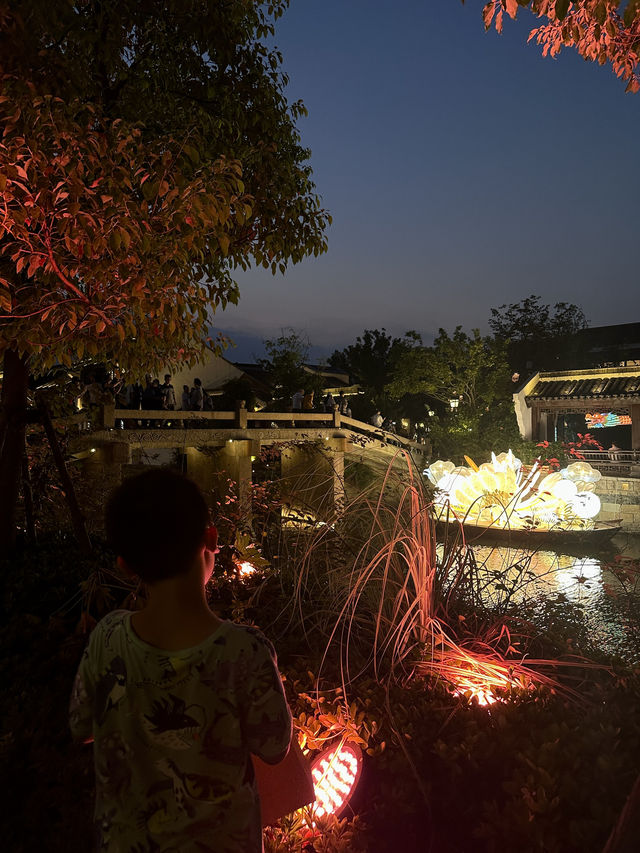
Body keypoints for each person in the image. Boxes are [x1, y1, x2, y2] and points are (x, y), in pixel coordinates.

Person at [69, 469, 292, 853]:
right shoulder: (244, 651)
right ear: (211, 540)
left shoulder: (107, 640)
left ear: (125, 565)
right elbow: (275, 746)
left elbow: (80, 728)